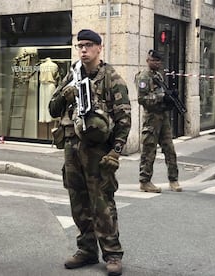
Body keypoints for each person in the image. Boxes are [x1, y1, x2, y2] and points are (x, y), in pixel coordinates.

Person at [49, 29, 131, 276]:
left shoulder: (111, 78)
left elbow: (124, 119)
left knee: (102, 203)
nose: (83, 50)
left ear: (99, 48)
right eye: (80, 46)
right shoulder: (71, 76)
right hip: (72, 148)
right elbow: (53, 109)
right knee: (78, 203)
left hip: (98, 152)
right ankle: (86, 250)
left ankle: (112, 253)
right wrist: (65, 95)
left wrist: (115, 153)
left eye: (88, 45)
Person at [135, 49, 182, 193]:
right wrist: (162, 98)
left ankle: (173, 179)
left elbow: (163, 93)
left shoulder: (158, 76)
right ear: (148, 60)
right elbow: (142, 99)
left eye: (159, 61)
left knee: (170, 149)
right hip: (151, 118)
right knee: (149, 150)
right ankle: (145, 181)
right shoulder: (144, 77)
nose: (157, 63)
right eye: (154, 60)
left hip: (163, 117)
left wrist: (170, 99)